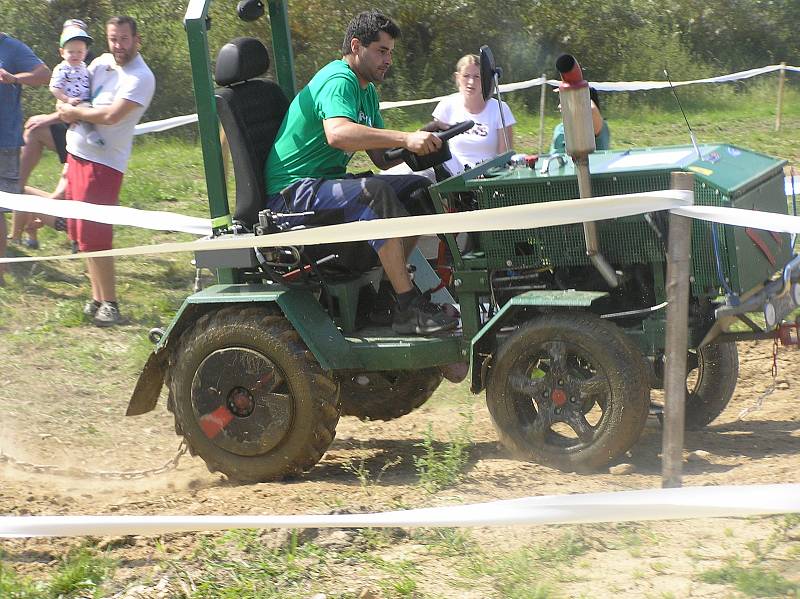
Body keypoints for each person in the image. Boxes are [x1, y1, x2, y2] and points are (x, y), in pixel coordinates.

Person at [264, 10, 458, 336]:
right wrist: (405, 138)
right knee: (374, 194)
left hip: (323, 187)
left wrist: (422, 138)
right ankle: (408, 305)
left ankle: (389, 297)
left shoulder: (366, 91)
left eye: (391, 53)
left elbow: (381, 159)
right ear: (357, 46)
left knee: (417, 190)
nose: (389, 60)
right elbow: (337, 135)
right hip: (291, 196)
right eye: (382, 51)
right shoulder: (339, 80)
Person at [44, 16, 155, 326]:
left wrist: (72, 111)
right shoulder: (102, 63)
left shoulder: (141, 77)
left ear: (137, 40)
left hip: (104, 164)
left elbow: (110, 115)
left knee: (97, 234)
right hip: (77, 154)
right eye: (113, 39)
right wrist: (56, 112)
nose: (118, 46)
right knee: (82, 234)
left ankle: (111, 303)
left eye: (123, 39)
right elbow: (71, 88)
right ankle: (96, 296)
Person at [10, 20, 96, 249]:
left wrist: (49, 117)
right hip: (68, 129)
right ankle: (18, 231)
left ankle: (34, 224)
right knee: (33, 133)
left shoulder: (93, 69)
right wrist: (50, 117)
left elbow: (86, 108)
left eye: (80, 48)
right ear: (62, 49)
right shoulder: (64, 69)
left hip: (85, 138)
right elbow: (62, 100)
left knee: (60, 199)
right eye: (70, 47)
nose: (76, 53)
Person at [0, 31, 50, 285]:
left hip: (4, 140)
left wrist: (14, 78)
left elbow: (44, 74)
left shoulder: (11, 47)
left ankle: (0, 271)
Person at [432, 54, 515, 175]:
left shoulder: (500, 109)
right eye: (466, 76)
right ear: (457, 77)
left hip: (489, 175)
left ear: (485, 79)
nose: (471, 82)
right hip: (453, 176)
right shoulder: (446, 106)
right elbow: (434, 149)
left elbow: (505, 157)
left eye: (477, 77)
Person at [550, 87, 610, 154]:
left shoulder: (594, 126)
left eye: (565, 100)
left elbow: (592, 109)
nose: (559, 106)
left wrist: (578, 94)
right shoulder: (560, 127)